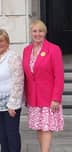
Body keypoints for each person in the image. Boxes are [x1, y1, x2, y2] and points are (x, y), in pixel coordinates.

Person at [23, 19, 64, 152]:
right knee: (40, 127)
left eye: (40, 31)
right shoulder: (27, 50)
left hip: (48, 97)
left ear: (45, 33)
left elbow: (59, 76)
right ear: (31, 33)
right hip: (33, 97)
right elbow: (26, 76)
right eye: (35, 31)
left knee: (46, 128)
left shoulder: (53, 49)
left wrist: (56, 98)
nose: (37, 34)